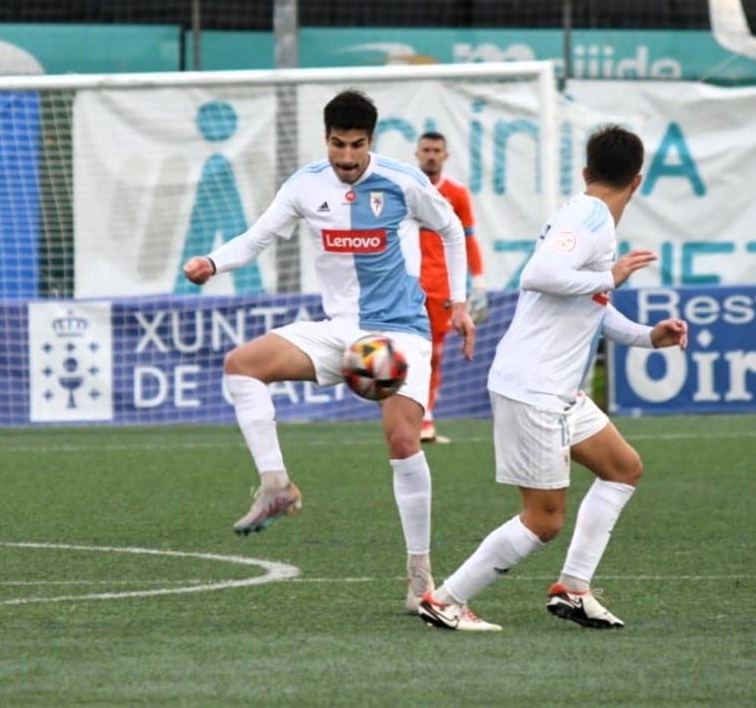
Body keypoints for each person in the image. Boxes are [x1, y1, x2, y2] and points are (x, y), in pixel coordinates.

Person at [182, 89, 476, 613]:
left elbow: (451, 229)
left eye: (356, 145)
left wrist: (458, 303)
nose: (346, 157)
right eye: (338, 144)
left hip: (400, 332)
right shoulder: (305, 185)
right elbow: (255, 240)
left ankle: (419, 575)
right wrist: (212, 261)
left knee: (403, 439)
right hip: (339, 330)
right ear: (326, 139)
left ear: (372, 141)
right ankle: (275, 484)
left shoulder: (404, 182)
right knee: (241, 366)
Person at [417, 125, 689, 632]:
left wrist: (649, 335)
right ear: (639, 181)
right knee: (544, 519)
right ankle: (448, 599)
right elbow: (539, 274)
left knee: (623, 468)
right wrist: (612, 276)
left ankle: (574, 588)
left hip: (559, 390)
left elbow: (590, 305)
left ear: (587, 172)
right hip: (534, 386)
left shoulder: (588, 215)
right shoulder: (590, 217)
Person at [415, 131, 488, 444]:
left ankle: (426, 418)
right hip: (407, 286)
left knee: (434, 354)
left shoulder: (456, 193)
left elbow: (468, 237)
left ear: (446, 156)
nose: (431, 155)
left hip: (441, 287)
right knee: (408, 352)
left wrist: (479, 280)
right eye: (426, 150)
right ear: (417, 154)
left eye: (437, 150)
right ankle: (409, 417)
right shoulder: (406, 187)